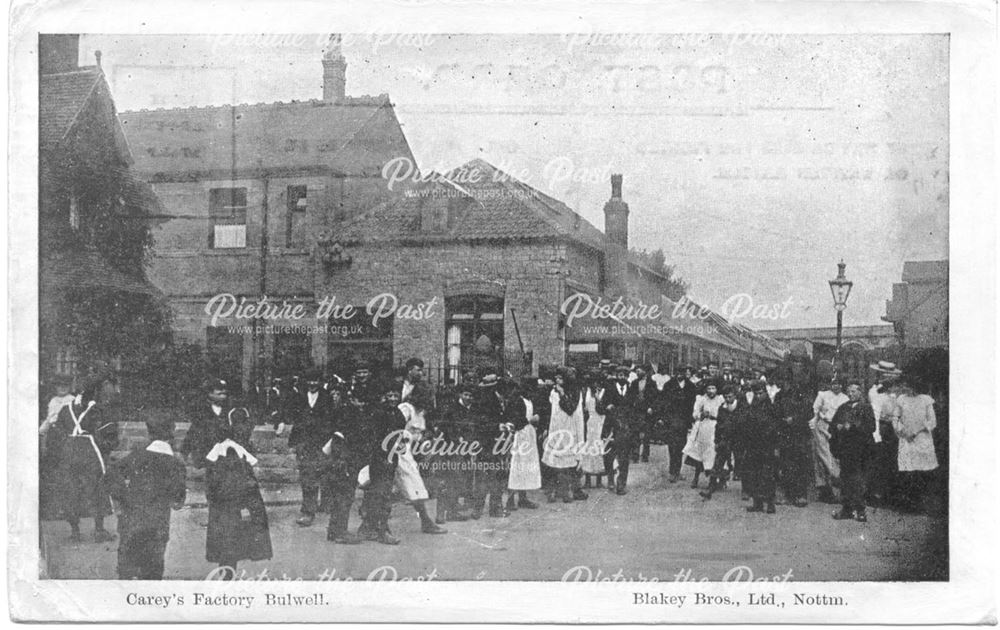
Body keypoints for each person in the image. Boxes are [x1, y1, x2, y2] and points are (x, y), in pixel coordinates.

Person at [183, 379, 270, 576]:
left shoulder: (234, 412)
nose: (223, 396)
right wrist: (187, 453)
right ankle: (222, 560)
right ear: (209, 394)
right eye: (218, 393)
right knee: (219, 517)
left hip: (234, 470)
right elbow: (193, 434)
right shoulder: (202, 413)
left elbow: (245, 431)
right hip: (214, 471)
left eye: (225, 393)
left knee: (234, 518)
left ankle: (230, 562)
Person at [104, 417, 187, 579]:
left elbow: (110, 476)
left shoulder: (136, 456)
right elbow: (178, 501)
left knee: (127, 569)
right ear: (172, 433)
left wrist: (123, 497)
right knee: (152, 571)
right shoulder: (176, 464)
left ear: (149, 434)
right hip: (157, 524)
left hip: (131, 520)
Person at [43, 376, 118, 542]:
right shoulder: (99, 409)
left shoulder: (65, 409)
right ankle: (99, 530)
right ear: (96, 393)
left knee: (71, 489)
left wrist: (64, 448)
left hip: (69, 451)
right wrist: (105, 447)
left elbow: (56, 433)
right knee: (98, 488)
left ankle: (75, 532)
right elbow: (110, 435)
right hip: (90, 451)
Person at [356, 380, 406, 544]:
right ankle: (382, 530)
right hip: (379, 459)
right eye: (389, 395)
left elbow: (399, 436)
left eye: (395, 395)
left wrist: (400, 445)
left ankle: (367, 527)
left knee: (380, 494)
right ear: (384, 397)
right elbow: (374, 438)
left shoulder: (398, 414)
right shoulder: (379, 414)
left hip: (391, 459)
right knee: (381, 494)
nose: (392, 398)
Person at [395, 388, 447, 533]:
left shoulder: (421, 413)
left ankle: (426, 522)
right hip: (398, 449)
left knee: (413, 485)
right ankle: (426, 522)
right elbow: (394, 426)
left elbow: (418, 435)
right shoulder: (406, 409)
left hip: (408, 451)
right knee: (413, 483)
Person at [288, 370, 337, 527]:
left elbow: (332, 420)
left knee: (324, 472)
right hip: (304, 442)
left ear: (320, 381)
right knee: (307, 476)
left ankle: (326, 503)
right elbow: (294, 418)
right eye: (310, 380)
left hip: (322, 442)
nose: (312, 383)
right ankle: (308, 510)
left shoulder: (327, 397)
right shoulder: (299, 396)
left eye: (315, 380)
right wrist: (294, 442)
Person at [321, 383, 365, 544]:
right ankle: (340, 531)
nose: (361, 404)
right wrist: (342, 460)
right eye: (358, 400)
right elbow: (339, 437)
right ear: (352, 399)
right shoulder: (349, 414)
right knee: (344, 496)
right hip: (343, 460)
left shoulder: (353, 412)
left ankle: (335, 530)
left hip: (347, 459)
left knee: (344, 496)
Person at [829, 381, 876, 522]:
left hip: (860, 449)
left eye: (854, 391)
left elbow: (871, 427)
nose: (851, 394)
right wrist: (836, 426)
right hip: (845, 449)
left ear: (860, 392)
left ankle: (860, 510)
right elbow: (832, 425)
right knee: (845, 478)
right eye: (849, 391)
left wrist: (853, 427)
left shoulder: (866, 408)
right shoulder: (843, 408)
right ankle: (847, 509)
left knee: (857, 479)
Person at [890, 377, 939, 513]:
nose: (905, 388)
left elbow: (932, 421)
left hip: (921, 439)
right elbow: (895, 417)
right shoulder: (901, 399)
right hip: (906, 439)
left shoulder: (925, 400)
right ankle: (908, 504)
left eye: (908, 386)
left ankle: (921, 504)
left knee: (921, 472)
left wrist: (916, 431)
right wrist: (902, 430)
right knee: (907, 472)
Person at [432, 383, 477, 523]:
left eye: (470, 395)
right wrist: (457, 441)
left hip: (464, 449)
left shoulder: (471, 410)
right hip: (450, 449)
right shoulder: (452, 409)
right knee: (448, 480)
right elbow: (447, 429)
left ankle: (451, 511)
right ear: (460, 395)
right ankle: (443, 514)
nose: (468, 397)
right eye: (465, 394)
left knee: (456, 480)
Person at [542, 368, 587, 501]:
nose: (557, 380)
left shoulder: (574, 391)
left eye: (560, 378)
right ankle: (557, 491)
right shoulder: (553, 392)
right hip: (556, 427)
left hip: (569, 426)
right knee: (556, 461)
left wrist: (562, 393)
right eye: (556, 378)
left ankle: (572, 489)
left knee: (570, 461)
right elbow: (551, 411)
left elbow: (570, 409)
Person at [601, 365, 640, 495]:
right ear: (616, 376)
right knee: (609, 456)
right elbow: (600, 406)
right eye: (619, 374)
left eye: (624, 374)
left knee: (624, 458)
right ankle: (611, 478)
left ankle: (621, 484)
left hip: (626, 429)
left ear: (628, 376)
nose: (621, 377)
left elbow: (635, 409)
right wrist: (607, 406)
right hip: (611, 428)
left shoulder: (632, 390)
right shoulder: (609, 389)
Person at [742, 380, 780, 514]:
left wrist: (775, 446)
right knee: (754, 474)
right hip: (754, 445)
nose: (758, 396)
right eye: (756, 393)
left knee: (768, 475)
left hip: (767, 445)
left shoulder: (771, 407)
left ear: (765, 392)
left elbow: (776, 428)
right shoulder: (753, 406)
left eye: (761, 393)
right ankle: (757, 503)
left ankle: (770, 503)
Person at [868, 361, 902, 506]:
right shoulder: (874, 392)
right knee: (878, 461)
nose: (888, 379)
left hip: (893, 428)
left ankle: (889, 495)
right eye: (885, 376)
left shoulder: (895, 393)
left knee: (891, 460)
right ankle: (874, 494)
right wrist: (877, 434)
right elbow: (875, 413)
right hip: (880, 426)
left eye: (891, 376)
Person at [700, 384, 743, 500]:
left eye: (730, 397)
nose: (728, 399)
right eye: (726, 397)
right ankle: (711, 487)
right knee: (718, 463)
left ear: (734, 395)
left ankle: (746, 490)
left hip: (738, 440)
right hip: (725, 439)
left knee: (742, 463)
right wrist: (717, 440)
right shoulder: (722, 408)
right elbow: (719, 425)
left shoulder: (741, 407)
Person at [506, 377, 542, 510]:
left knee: (526, 466)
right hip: (520, 436)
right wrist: (530, 421)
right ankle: (510, 500)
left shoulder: (529, 401)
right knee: (517, 466)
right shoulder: (517, 400)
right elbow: (515, 419)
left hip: (529, 436)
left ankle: (523, 498)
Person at [811, 380, 848, 504]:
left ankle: (835, 487)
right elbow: (815, 410)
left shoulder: (845, 398)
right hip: (822, 427)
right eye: (833, 383)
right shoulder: (822, 395)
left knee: (834, 456)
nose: (836, 386)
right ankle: (825, 489)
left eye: (838, 383)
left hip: (836, 429)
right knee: (822, 456)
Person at [683, 380, 723, 489]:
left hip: (715, 427)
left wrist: (716, 417)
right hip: (703, 427)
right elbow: (695, 413)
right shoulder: (701, 399)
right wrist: (701, 414)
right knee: (699, 452)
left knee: (713, 453)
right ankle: (696, 478)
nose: (711, 391)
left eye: (713, 388)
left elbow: (724, 414)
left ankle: (713, 480)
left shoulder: (720, 400)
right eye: (709, 389)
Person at [664, 366, 697, 483]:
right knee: (672, 446)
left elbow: (693, 404)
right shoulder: (668, 385)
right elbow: (664, 403)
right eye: (677, 372)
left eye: (682, 372)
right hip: (672, 420)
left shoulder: (691, 387)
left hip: (684, 421)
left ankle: (677, 470)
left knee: (681, 446)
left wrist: (690, 421)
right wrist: (665, 419)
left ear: (686, 373)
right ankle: (672, 471)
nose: (679, 374)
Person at [581, 371, 609, 489]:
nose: (595, 384)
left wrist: (598, 399)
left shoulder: (603, 392)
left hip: (600, 422)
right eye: (593, 382)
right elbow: (584, 408)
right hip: (590, 422)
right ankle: (587, 478)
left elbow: (603, 410)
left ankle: (598, 479)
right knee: (589, 448)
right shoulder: (586, 392)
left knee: (599, 448)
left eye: (598, 381)